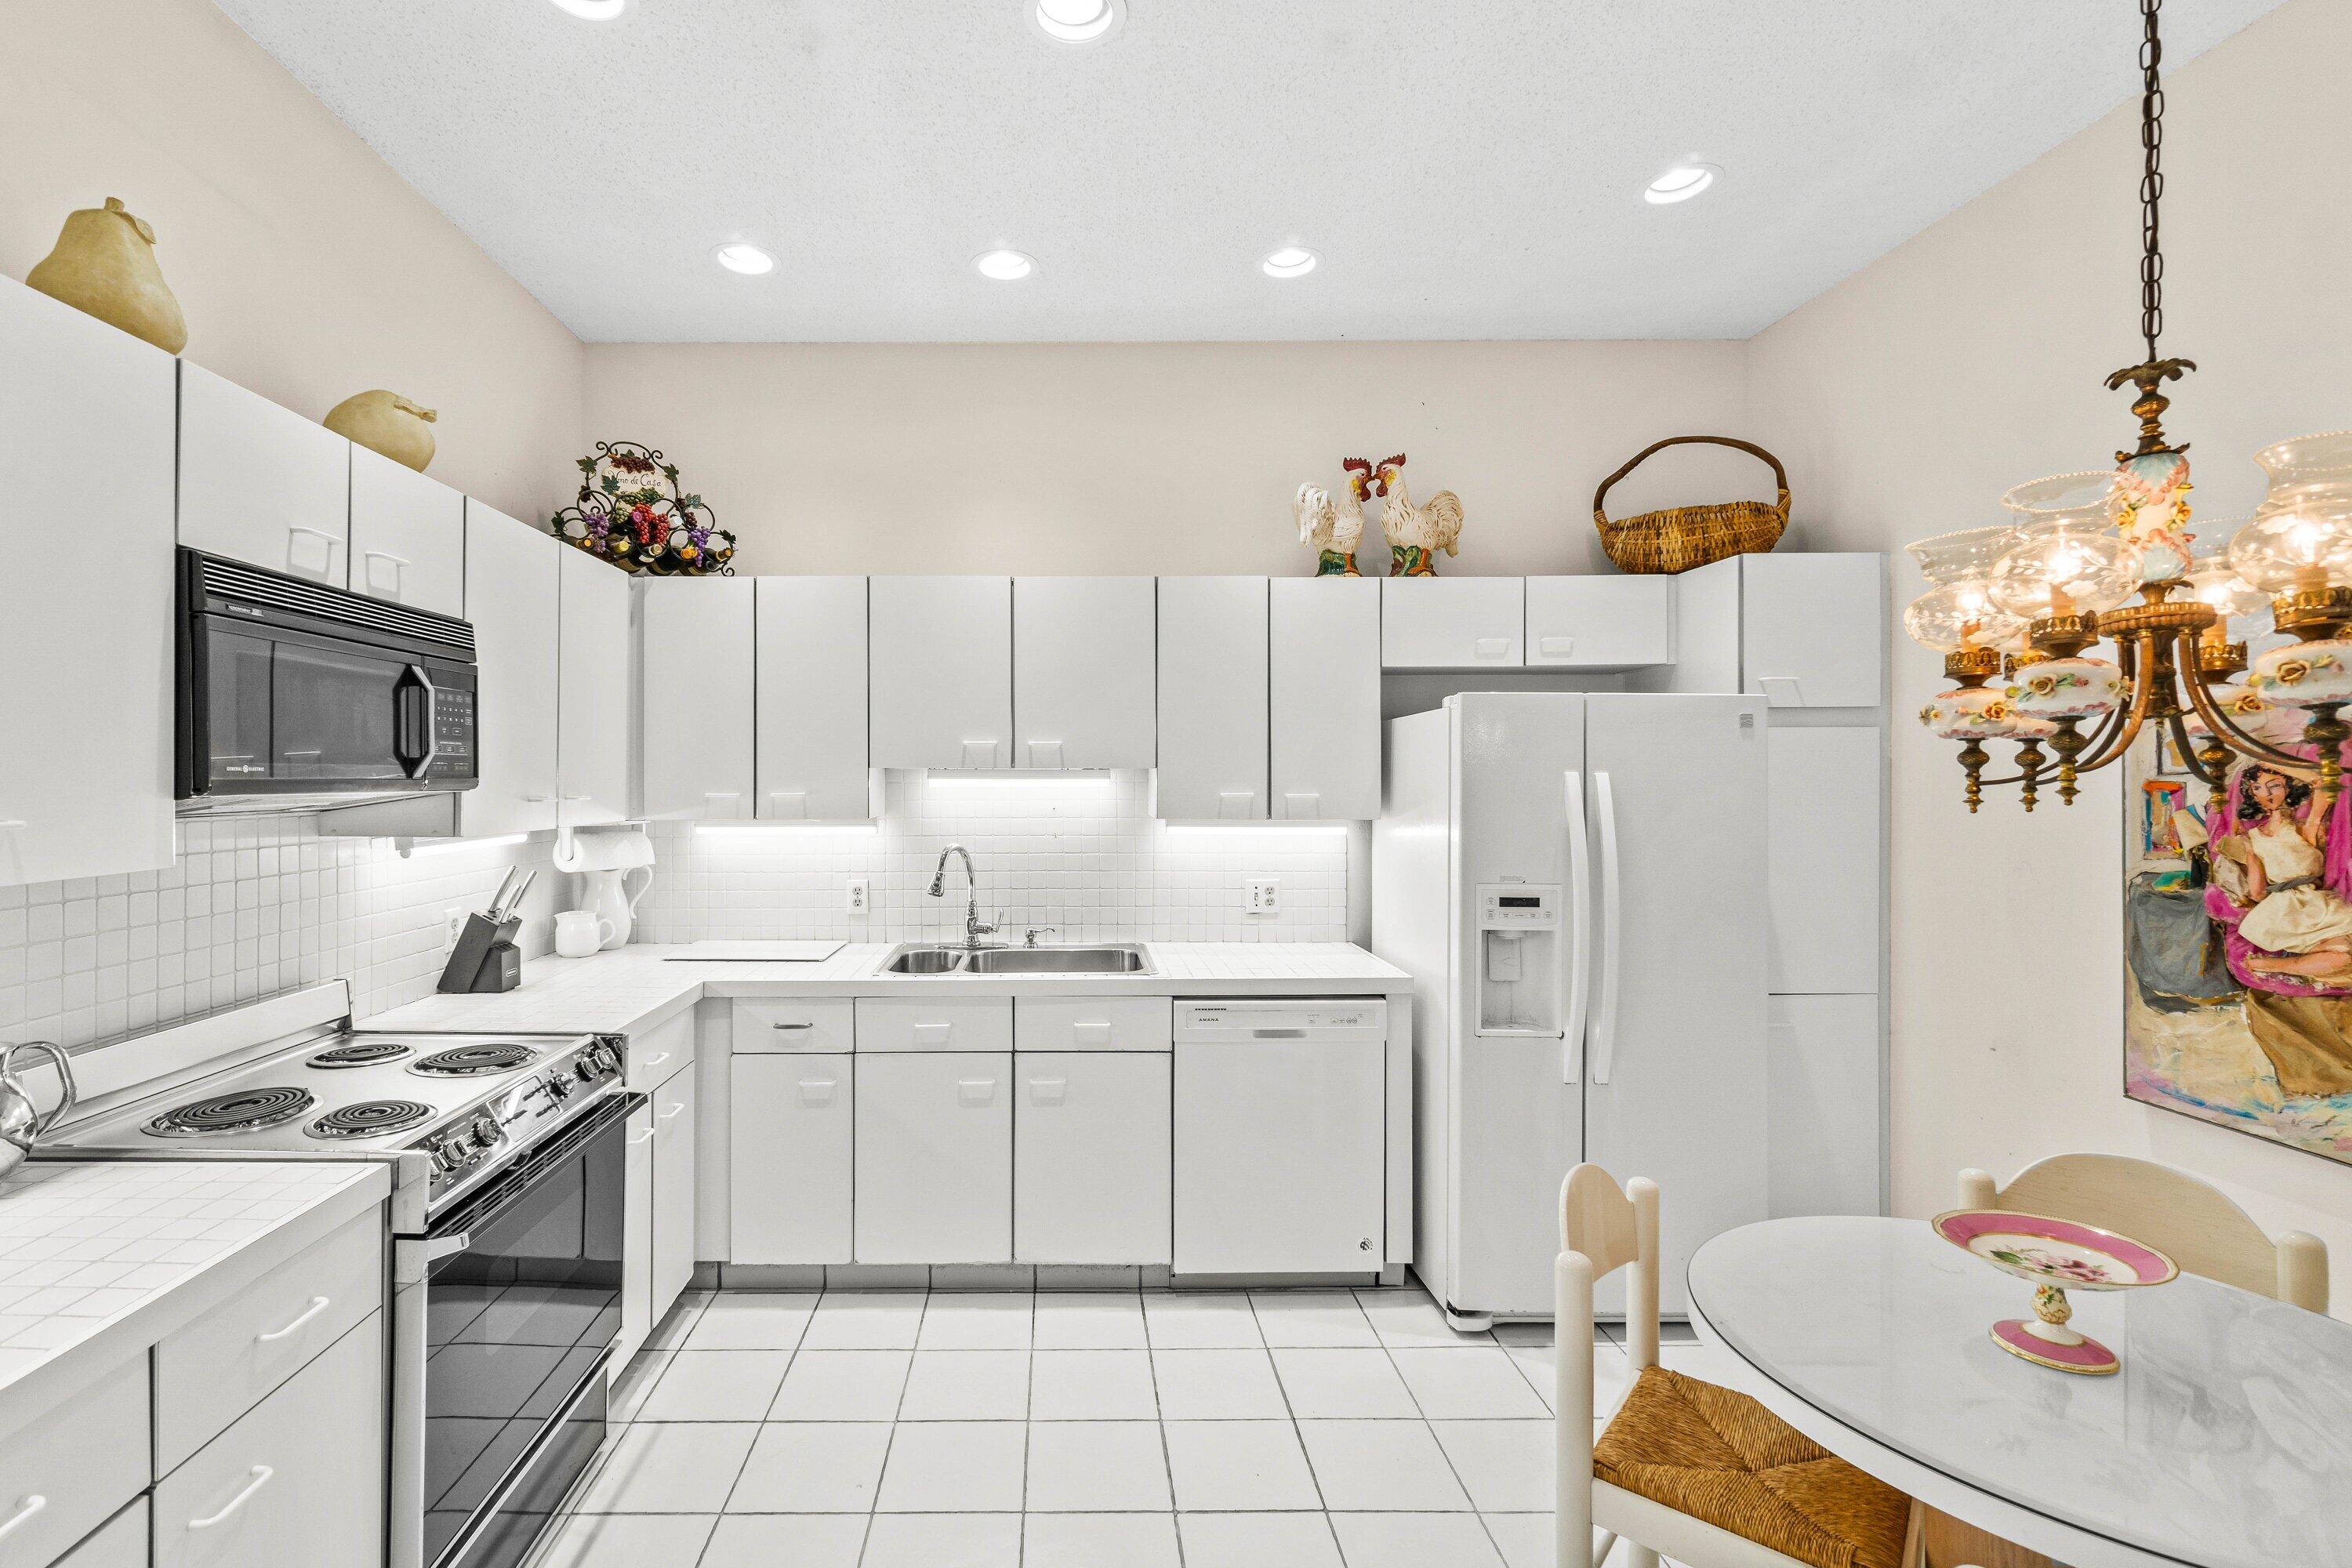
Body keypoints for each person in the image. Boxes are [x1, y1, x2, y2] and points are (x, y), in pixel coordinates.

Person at [2227, 764, 2352, 978]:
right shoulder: (2254, 838)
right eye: (2257, 788)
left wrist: (2274, 764)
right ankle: (2275, 966)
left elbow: (2323, 782)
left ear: (2289, 788)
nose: (2266, 794)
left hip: (2315, 904)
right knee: (2345, 957)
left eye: (2274, 785)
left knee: (2344, 956)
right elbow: (2257, 893)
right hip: (2283, 911)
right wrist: (2249, 852)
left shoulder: (2305, 826)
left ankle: (2270, 965)